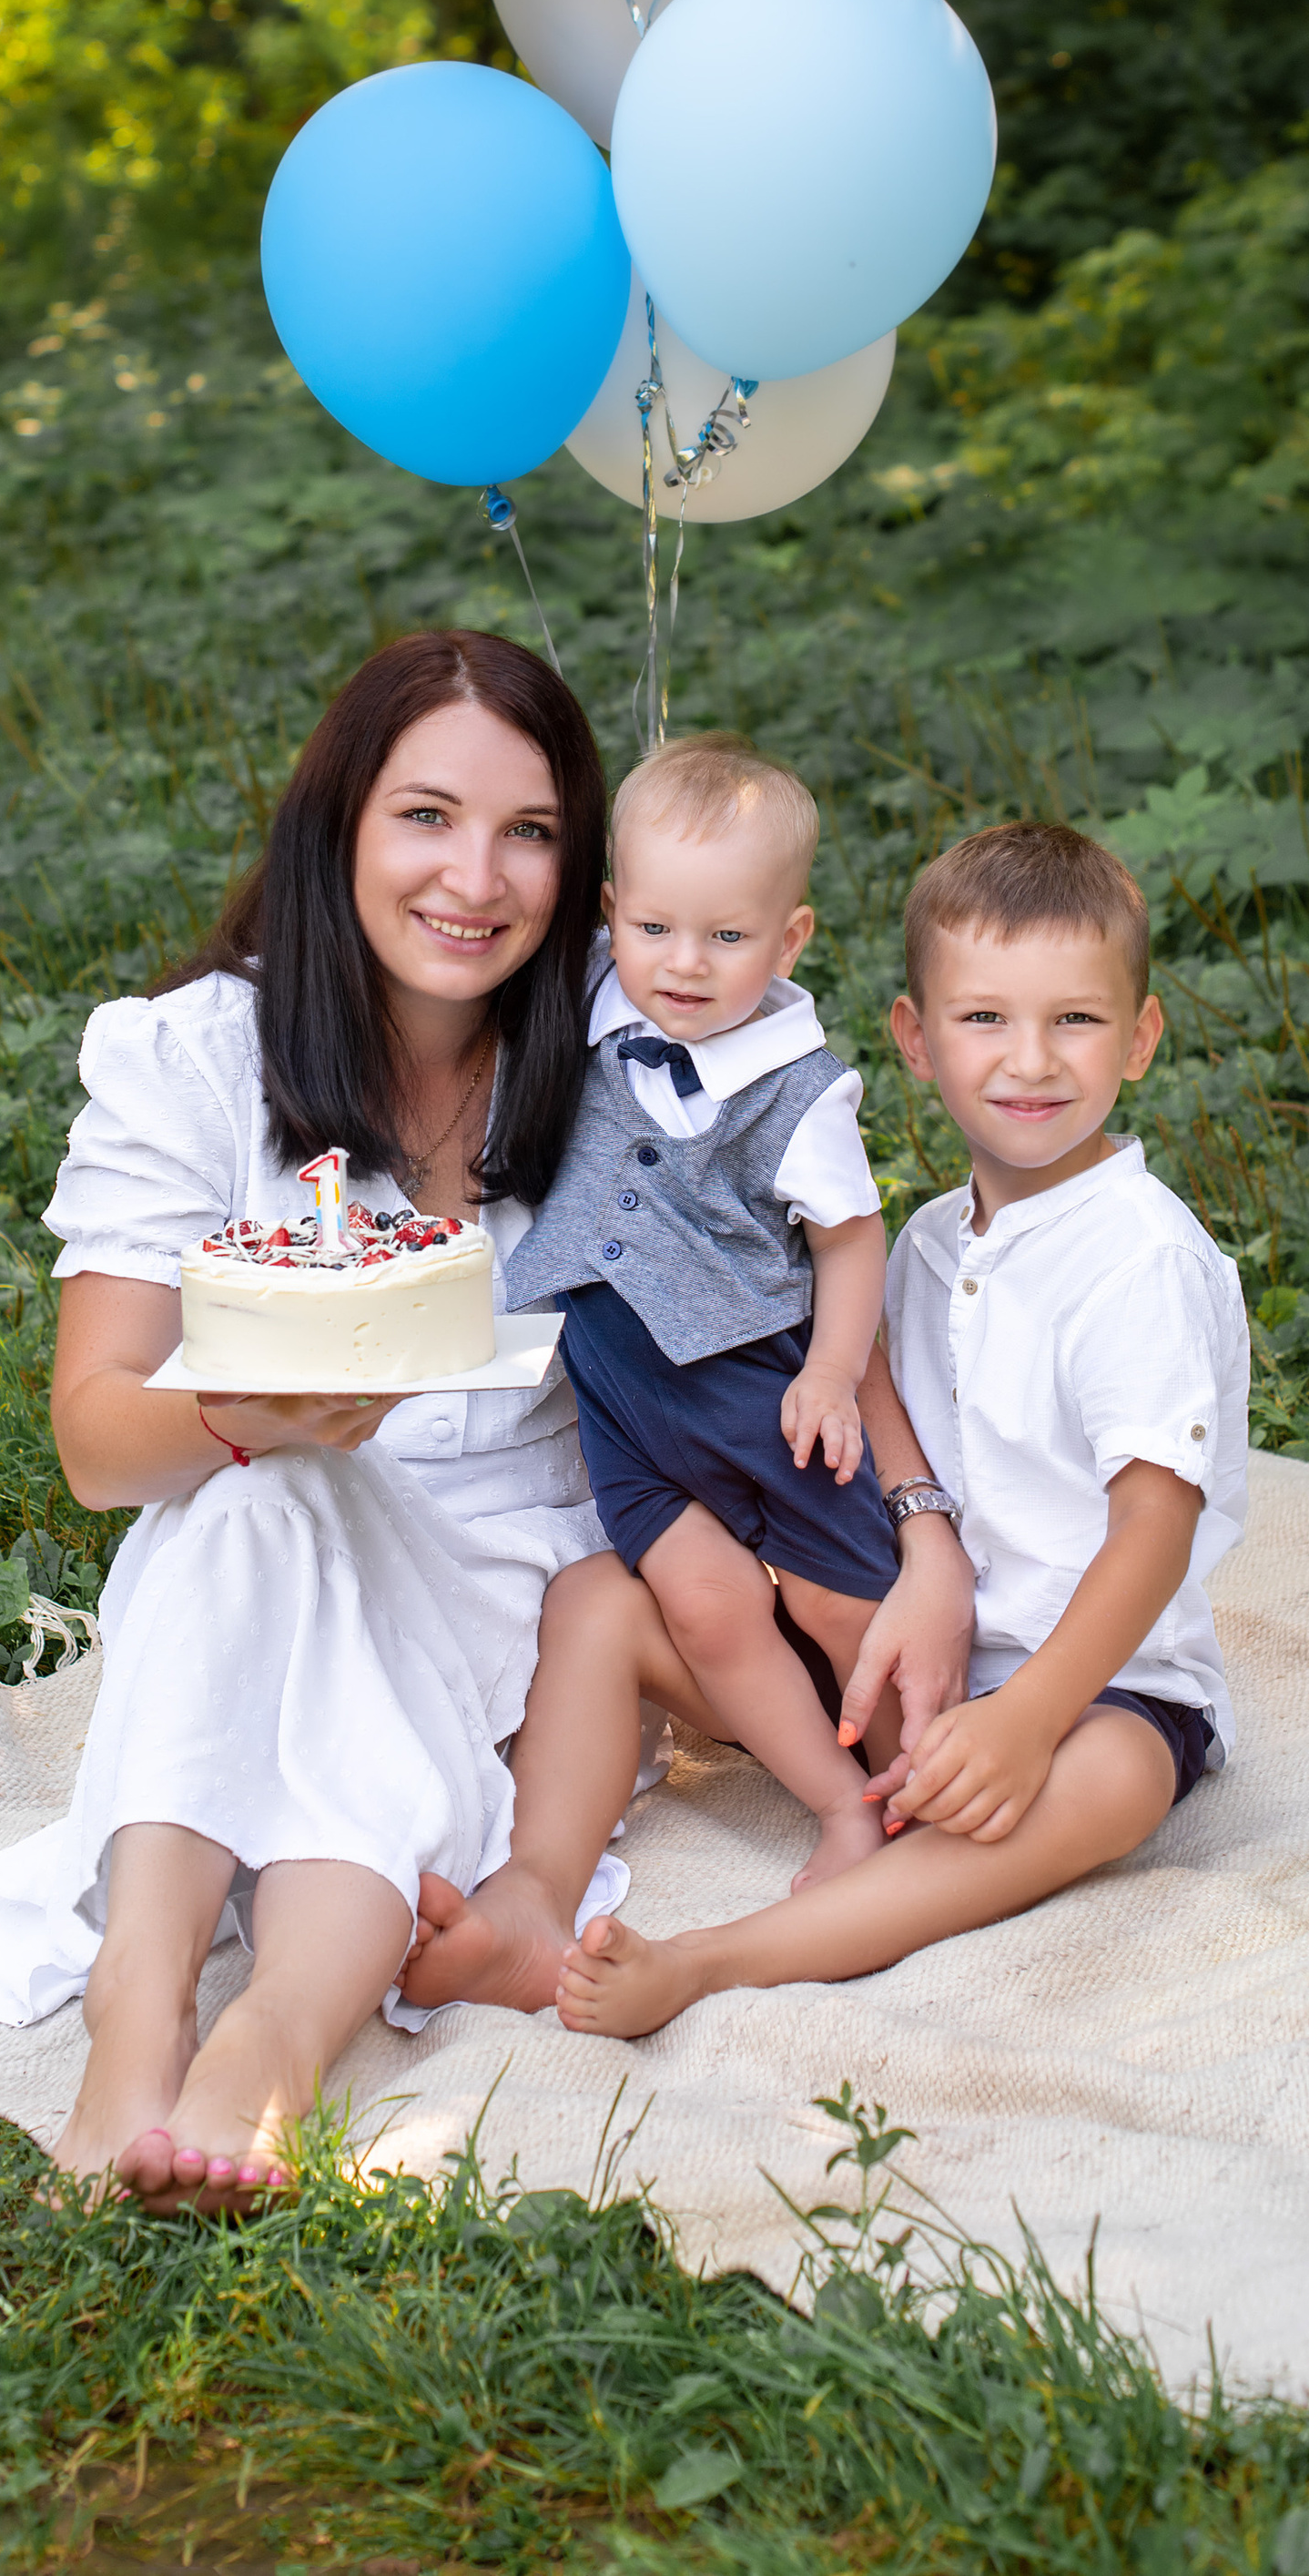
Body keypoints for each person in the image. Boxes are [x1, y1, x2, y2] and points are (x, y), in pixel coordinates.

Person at [0, 628, 616, 2204]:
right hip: (244, 1515)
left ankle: (252, 2038)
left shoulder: (612, 1053)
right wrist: (272, 1408)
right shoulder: (193, 1054)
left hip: (498, 1585)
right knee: (262, 1501)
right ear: (335, 827)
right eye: (428, 816)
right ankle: (171, 2022)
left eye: (530, 832)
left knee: (282, 1523)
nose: (478, 876)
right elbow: (97, 1438)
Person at [554, 817, 1251, 2041]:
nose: (1029, 1059)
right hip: (917, 1647)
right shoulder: (928, 1237)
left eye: (1075, 1020)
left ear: (1139, 1039)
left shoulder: (1135, 1253)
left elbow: (1156, 1521)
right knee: (608, 1602)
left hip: (1100, 1688)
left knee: (1115, 1778)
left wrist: (1029, 1715)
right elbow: (866, 1366)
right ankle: (532, 1888)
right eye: (984, 1018)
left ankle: (714, 1959)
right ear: (916, 1042)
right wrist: (927, 1546)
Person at [504, 734, 908, 1893]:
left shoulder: (800, 1089)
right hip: (624, 1400)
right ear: (611, 914)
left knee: (843, 1600)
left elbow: (849, 1237)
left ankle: (919, 1783)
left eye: (727, 937)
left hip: (757, 1385)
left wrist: (829, 1375)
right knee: (711, 1611)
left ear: (787, 941)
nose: (683, 964)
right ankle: (841, 1812)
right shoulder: (594, 990)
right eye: (654, 929)